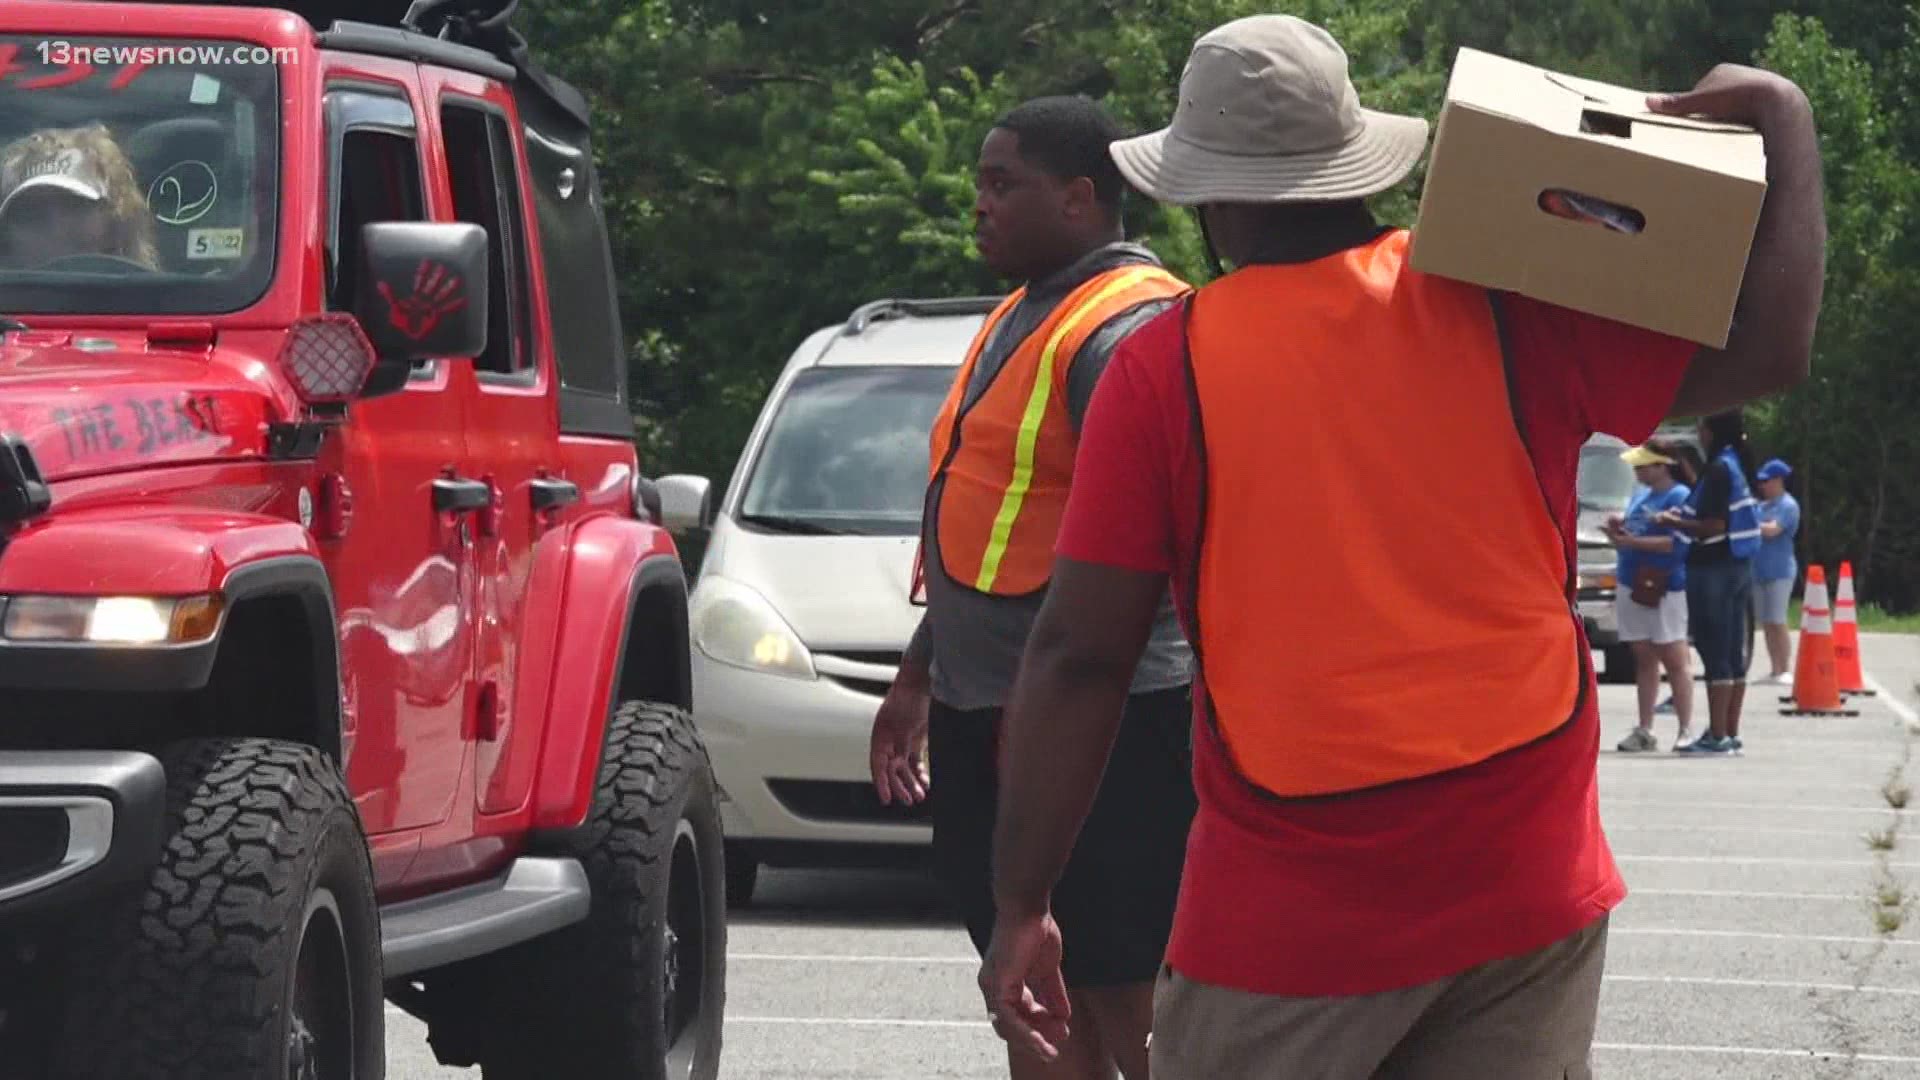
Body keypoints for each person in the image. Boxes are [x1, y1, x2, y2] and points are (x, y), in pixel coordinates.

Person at [976, 14, 1824, 1076]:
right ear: (1353, 161)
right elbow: (1769, 347)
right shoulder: (1508, 308)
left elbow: (1080, 655)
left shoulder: (1165, 371)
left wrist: (1022, 903)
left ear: (1209, 196)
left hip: (1291, 913)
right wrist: (1785, 125)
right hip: (1526, 876)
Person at [868, 94, 1197, 1080]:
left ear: (1082, 198)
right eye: (981, 182)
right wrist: (920, 674)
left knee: (1119, 990)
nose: (980, 205)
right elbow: (982, 527)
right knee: (1032, 994)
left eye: (1002, 184)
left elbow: (1149, 567)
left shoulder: (1124, 332)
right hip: (996, 706)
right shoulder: (1026, 308)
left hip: (1106, 724)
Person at [1657, 409, 1765, 755]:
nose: (1698, 432)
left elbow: (1714, 524)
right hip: (1738, 566)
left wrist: (1673, 522)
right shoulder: (1735, 463)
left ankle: (1716, 735)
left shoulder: (1718, 468)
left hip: (1714, 566)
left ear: (1711, 430)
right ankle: (1729, 732)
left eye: (1700, 425)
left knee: (1714, 648)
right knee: (1733, 652)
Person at [1607, 440, 1697, 751]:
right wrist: (1617, 534)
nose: (1637, 471)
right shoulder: (1639, 495)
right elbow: (1629, 539)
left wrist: (1634, 543)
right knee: (1643, 657)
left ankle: (1685, 728)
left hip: (1664, 584)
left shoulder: (1680, 496)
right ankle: (1645, 728)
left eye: (1643, 465)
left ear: (1662, 466)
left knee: (1673, 656)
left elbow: (1675, 544)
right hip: (1631, 581)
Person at [0, 123, 157, 269]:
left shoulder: (159, 298)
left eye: (73, 206)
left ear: (116, 218)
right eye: (32, 214)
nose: (57, 228)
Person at [1752, 457, 1801, 683]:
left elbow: (1772, 531)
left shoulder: (1788, 505)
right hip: (1759, 570)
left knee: (1778, 619)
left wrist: (1751, 525)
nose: (1763, 485)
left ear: (1779, 480)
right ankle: (1774, 668)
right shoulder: (1761, 506)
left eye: (1767, 481)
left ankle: (1785, 669)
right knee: (1766, 622)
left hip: (1780, 570)